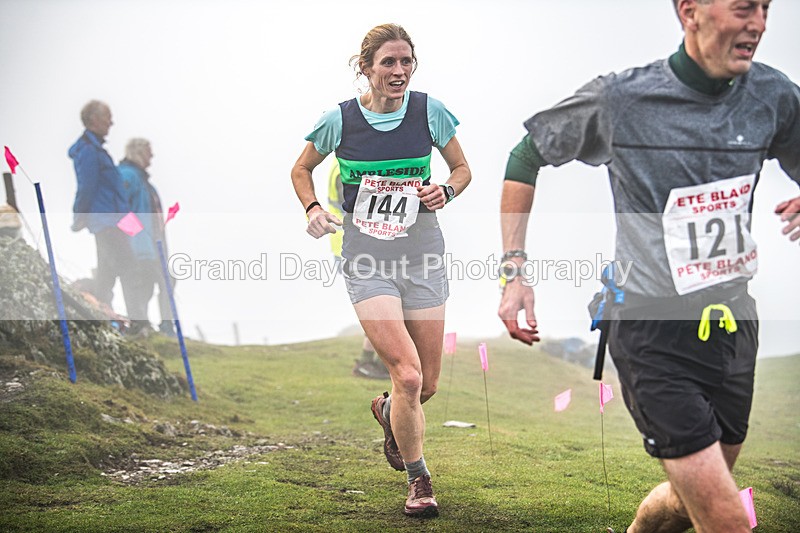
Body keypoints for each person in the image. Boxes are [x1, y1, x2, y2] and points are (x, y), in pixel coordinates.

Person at [498, 1, 799, 531]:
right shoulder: (621, 99)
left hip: (734, 322)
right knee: (727, 516)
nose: (758, 23)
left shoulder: (773, 96)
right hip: (650, 326)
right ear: (690, 10)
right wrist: (514, 271)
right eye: (743, 7)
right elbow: (526, 156)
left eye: (767, 7)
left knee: (691, 501)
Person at [291, 23, 471, 518]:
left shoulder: (430, 112)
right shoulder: (340, 120)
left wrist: (446, 191)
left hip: (424, 255)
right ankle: (420, 482)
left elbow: (462, 170)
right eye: (388, 62)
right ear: (366, 67)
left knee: (426, 384)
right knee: (408, 374)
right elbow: (300, 169)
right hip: (368, 259)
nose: (399, 71)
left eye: (406, 61)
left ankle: (389, 412)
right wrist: (311, 209)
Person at [69, 100, 136, 312]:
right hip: (106, 221)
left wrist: (134, 227)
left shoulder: (99, 150)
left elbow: (116, 192)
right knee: (128, 266)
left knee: (112, 269)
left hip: (118, 218)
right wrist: (79, 216)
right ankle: (133, 320)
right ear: (93, 120)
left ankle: (101, 309)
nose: (111, 122)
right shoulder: (88, 150)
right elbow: (86, 186)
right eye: (107, 116)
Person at [327, 160, 390, 379]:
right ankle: (366, 362)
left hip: (358, 247)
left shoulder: (347, 164)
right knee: (379, 307)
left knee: (384, 306)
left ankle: (377, 362)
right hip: (351, 249)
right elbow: (359, 208)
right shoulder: (344, 170)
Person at [118, 138, 175, 337]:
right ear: (138, 152)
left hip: (154, 246)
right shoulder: (127, 176)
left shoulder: (145, 183)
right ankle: (145, 326)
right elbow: (119, 209)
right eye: (149, 152)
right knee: (146, 285)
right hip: (140, 247)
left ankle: (153, 327)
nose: (152, 157)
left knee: (161, 282)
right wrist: (134, 235)